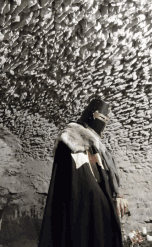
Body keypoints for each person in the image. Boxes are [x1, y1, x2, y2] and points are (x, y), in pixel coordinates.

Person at [38, 98, 129, 247]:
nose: (103, 123)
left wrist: (115, 195)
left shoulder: (97, 148)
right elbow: (71, 175)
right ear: (91, 115)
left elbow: (101, 173)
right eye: (101, 118)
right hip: (80, 204)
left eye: (106, 120)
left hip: (100, 207)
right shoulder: (70, 140)